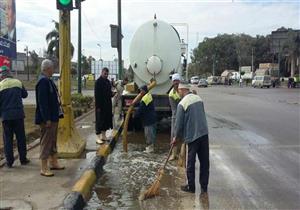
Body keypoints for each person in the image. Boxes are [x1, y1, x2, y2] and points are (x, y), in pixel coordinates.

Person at [171, 82, 209, 194]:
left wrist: (176, 138)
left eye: (179, 91)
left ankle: (191, 187)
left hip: (192, 136)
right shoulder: (199, 98)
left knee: (191, 162)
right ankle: (204, 187)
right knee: (204, 162)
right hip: (204, 134)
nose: (178, 93)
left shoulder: (182, 104)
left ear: (182, 90)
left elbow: (178, 125)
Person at [35, 59, 65, 177]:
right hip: (48, 119)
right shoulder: (43, 82)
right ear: (47, 69)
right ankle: (44, 167)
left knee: (52, 141)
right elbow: (43, 103)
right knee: (46, 142)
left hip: (53, 117)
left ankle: (54, 162)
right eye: (52, 68)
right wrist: (46, 118)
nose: (54, 70)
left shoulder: (48, 80)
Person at [0, 65, 30, 168]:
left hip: (6, 117)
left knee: (7, 139)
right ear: (10, 73)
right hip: (18, 116)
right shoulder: (17, 82)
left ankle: (9, 162)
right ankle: (23, 159)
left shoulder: (0, 86)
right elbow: (25, 95)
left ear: (1, 76)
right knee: (21, 138)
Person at [134, 85, 157, 153]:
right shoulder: (148, 96)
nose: (140, 92)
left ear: (144, 91)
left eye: (141, 91)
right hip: (151, 118)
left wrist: (135, 115)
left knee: (148, 134)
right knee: (151, 133)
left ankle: (150, 148)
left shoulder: (145, 98)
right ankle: (151, 146)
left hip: (148, 119)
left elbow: (141, 109)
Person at [95, 67, 113, 144]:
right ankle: (98, 137)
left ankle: (104, 136)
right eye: (105, 74)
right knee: (99, 121)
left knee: (105, 121)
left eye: (107, 74)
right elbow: (97, 95)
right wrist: (98, 106)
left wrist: (112, 94)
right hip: (100, 105)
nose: (106, 75)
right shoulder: (98, 82)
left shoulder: (108, 82)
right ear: (102, 72)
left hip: (107, 104)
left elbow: (109, 92)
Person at [168, 73, 181, 161]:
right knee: (174, 134)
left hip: (185, 114)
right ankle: (173, 154)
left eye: (177, 81)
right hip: (176, 115)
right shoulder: (171, 94)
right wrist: (177, 119)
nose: (176, 83)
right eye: (174, 81)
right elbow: (174, 109)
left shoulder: (183, 90)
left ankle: (181, 154)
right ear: (172, 82)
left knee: (183, 136)